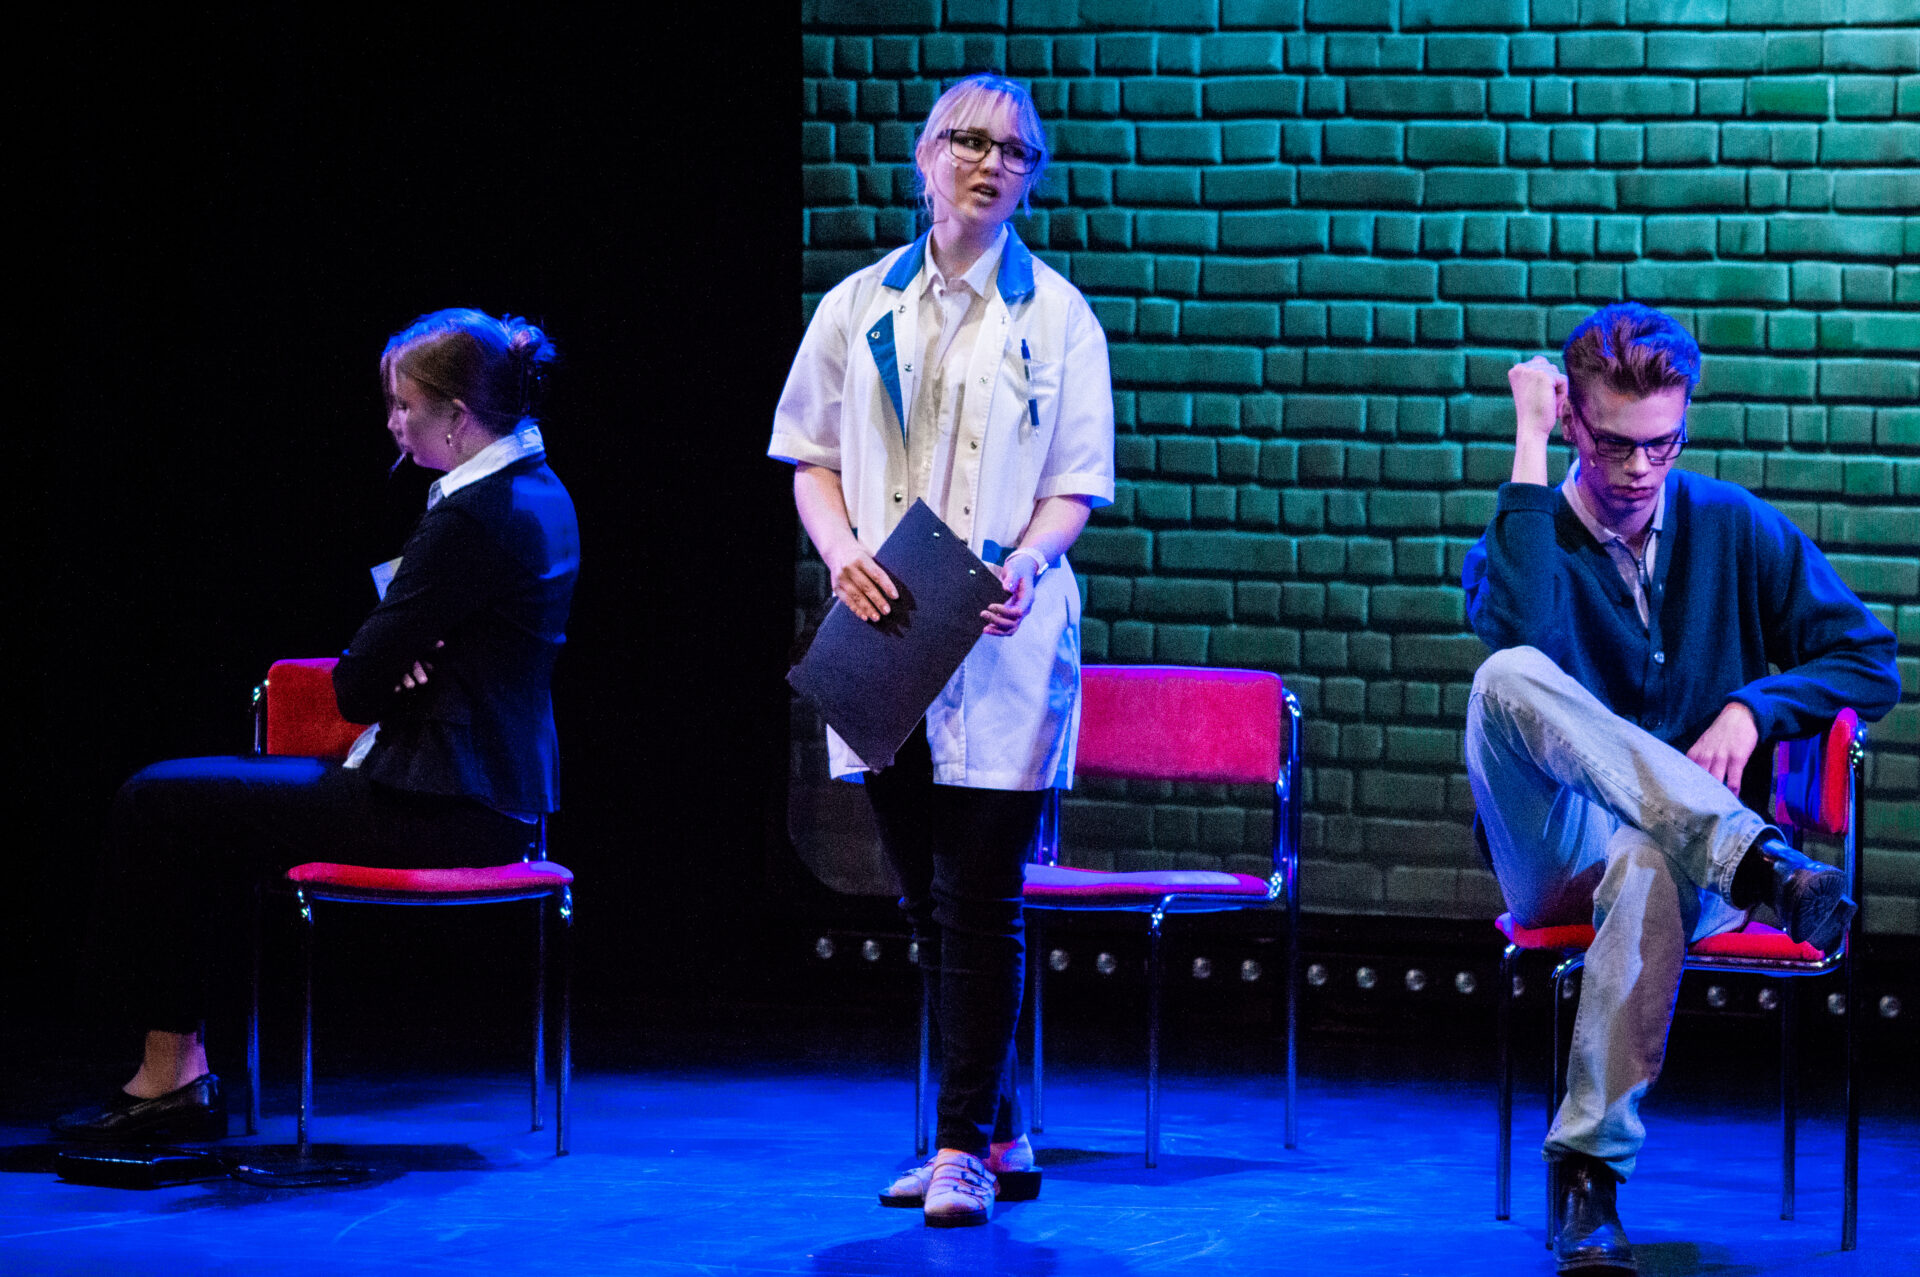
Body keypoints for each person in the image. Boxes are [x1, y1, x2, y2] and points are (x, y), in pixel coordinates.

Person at [55, 308, 580, 1142]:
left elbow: (356, 686)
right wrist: (396, 653)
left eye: (405, 405)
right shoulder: (541, 493)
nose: (393, 422)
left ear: (456, 414)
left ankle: (170, 1076)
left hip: (439, 800)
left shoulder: (475, 514)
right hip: (485, 794)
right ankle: (174, 1067)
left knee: (157, 802)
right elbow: (389, 662)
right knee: (197, 811)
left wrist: (385, 659)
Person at [1461, 302, 1899, 1274]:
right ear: (1573, 421)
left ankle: (1588, 1182)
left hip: (1678, 875)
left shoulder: (1730, 525)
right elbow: (1521, 632)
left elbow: (1871, 660)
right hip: (1557, 848)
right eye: (1613, 443)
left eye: (1662, 444)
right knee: (1505, 676)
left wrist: (1753, 706)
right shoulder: (1523, 536)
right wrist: (1527, 443)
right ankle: (1758, 860)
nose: (1638, 470)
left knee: (1652, 857)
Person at [769, 73, 1114, 1228]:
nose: (989, 162)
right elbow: (811, 455)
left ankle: (960, 1144)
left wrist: (1029, 561)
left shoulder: (1058, 318)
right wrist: (841, 552)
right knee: (927, 901)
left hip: (1002, 639)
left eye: (1014, 151)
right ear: (924, 158)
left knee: (978, 896)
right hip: (886, 631)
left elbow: (1074, 484)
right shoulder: (858, 305)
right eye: (967, 141)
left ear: (1031, 178)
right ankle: (1001, 1125)